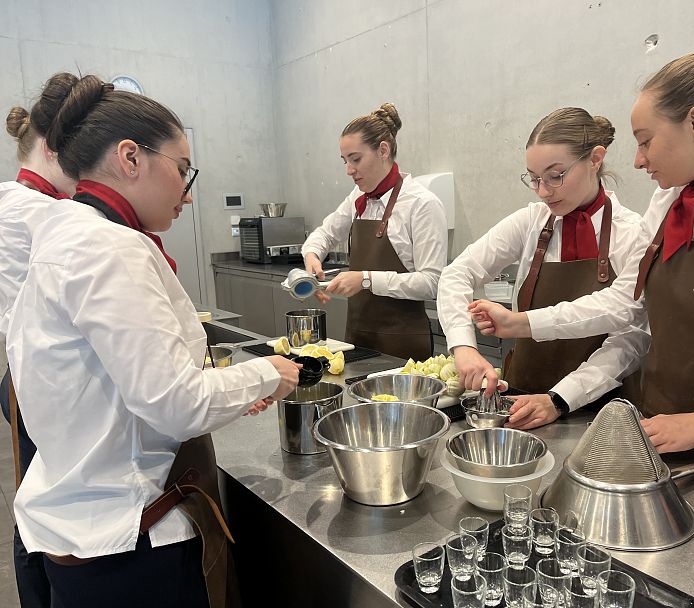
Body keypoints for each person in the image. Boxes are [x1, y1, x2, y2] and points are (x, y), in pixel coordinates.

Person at [5, 73, 300, 608]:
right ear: (131, 158)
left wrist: (221, 384)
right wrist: (269, 371)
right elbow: (173, 403)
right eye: (183, 170)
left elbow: (127, 383)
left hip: (87, 531)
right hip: (129, 545)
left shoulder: (70, 234)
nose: (188, 194)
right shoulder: (108, 247)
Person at [470, 26, 694, 467]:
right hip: (665, 446)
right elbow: (628, 307)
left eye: (646, 141)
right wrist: (524, 323)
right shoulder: (669, 201)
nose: (636, 160)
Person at [438, 108, 648, 429]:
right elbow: (457, 273)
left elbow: (632, 337)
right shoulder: (532, 221)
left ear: (595, 159)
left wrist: (559, 398)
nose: (543, 191)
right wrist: (463, 346)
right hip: (521, 400)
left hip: (597, 412)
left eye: (556, 175)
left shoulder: (631, 232)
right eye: (534, 178)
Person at [1, 72, 80, 608]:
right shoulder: (46, 214)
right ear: (56, 148)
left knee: (33, 491)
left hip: (15, 374)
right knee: (49, 497)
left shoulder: (7, 199)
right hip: (46, 381)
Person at [302, 103, 448, 360]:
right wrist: (312, 255)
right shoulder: (358, 197)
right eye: (345, 161)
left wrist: (366, 279)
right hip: (357, 342)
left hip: (404, 350)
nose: (349, 170)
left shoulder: (422, 204)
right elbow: (325, 234)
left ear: (383, 150)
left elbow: (431, 283)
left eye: (355, 159)